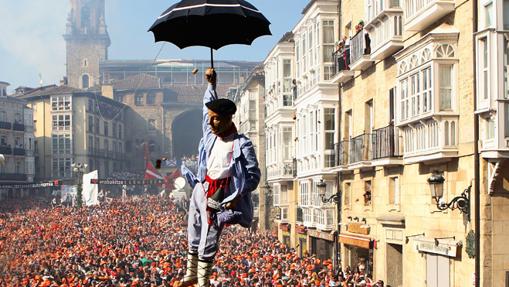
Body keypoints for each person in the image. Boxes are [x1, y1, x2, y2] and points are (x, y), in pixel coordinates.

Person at [180, 68, 261, 287]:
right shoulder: (209, 136)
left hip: (221, 192)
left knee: (209, 233)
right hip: (202, 186)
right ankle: (192, 272)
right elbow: (205, 107)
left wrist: (238, 195)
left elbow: (253, 176)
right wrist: (211, 85)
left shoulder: (241, 143)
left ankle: (203, 280)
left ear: (227, 119)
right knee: (194, 227)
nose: (211, 123)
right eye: (210, 119)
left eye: (216, 119)